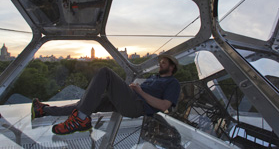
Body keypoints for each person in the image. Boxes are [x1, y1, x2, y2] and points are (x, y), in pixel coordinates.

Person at [31, 54, 181, 135]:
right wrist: (131, 89)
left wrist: (139, 91)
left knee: (105, 72)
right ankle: (43, 111)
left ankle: (80, 121)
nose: (160, 64)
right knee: (84, 105)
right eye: (160, 62)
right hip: (131, 99)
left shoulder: (173, 83)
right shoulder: (154, 78)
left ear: (172, 67)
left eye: (164, 63)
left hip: (137, 106)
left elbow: (164, 106)